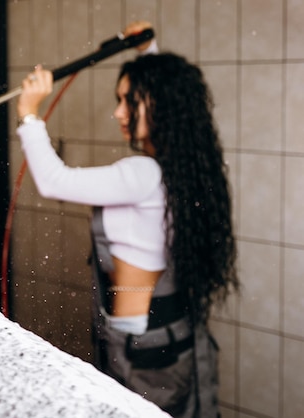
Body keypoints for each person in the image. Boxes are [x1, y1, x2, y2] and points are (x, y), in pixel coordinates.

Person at [15, 22, 239, 417]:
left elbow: (53, 181)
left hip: (143, 343)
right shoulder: (184, 165)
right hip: (163, 330)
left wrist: (30, 114)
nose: (117, 112)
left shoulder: (142, 174)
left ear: (157, 105)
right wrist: (147, 50)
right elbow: (166, 89)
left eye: (127, 101)